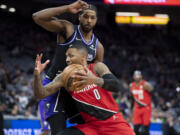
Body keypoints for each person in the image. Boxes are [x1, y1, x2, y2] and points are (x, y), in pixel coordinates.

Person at [32, 0, 104, 134]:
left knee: (93, 129)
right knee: (51, 132)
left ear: (97, 20)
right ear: (79, 17)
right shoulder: (68, 29)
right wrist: (67, 8)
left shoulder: (98, 47)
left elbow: (95, 76)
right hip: (54, 88)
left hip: (75, 94)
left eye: (92, 17)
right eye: (85, 16)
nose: (89, 20)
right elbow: (37, 17)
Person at [33, 44, 135, 135]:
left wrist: (94, 80)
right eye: (66, 56)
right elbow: (41, 94)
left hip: (113, 122)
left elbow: (116, 86)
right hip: (91, 127)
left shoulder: (97, 68)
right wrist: (37, 76)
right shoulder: (65, 77)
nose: (67, 59)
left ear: (83, 58)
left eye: (71, 56)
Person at [129, 70, 153, 135]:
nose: (137, 76)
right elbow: (132, 98)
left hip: (146, 108)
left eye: (138, 75)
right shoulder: (131, 85)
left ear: (141, 76)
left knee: (146, 129)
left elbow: (153, 94)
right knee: (135, 129)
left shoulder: (146, 84)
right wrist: (131, 109)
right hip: (137, 108)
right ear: (133, 76)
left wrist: (155, 104)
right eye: (135, 75)